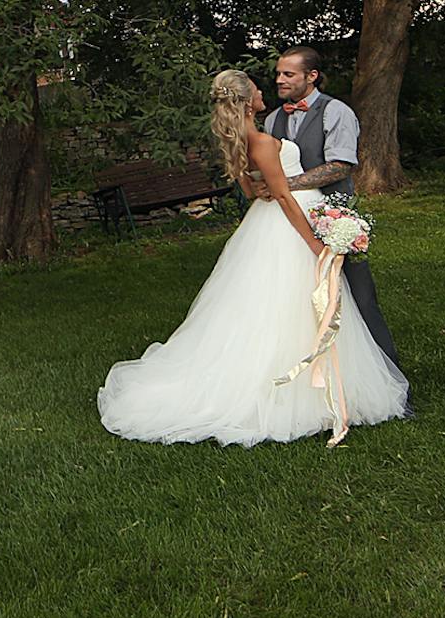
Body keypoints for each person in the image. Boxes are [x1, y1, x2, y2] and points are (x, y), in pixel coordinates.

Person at [96, 69, 409, 446]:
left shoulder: (240, 140)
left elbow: (251, 190)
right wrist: (313, 243)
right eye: (258, 90)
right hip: (288, 226)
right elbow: (282, 196)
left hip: (266, 224)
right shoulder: (260, 140)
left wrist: (266, 189)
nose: (265, 91)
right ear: (247, 102)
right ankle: (295, 395)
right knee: (293, 305)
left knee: (275, 306)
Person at [264, 46, 403, 371]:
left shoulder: (335, 111)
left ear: (311, 77)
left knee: (359, 297)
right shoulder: (272, 120)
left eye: (288, 74)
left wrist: (286, 185)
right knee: (301, 300)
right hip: (291, 222)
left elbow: (340, 166)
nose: (280, 80)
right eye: (278, 74)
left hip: (335, 217)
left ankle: (389, 376)